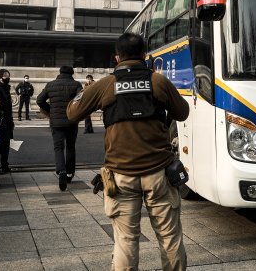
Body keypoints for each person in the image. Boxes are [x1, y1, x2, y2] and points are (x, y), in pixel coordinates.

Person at [67, 33, 190, 271]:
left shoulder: (106, 84)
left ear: (117, 58)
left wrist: (86, 91)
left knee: (125, 240)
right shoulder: (158, 81)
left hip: (121, 175)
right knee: (170, 238)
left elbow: (72, 113)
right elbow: (183, 112)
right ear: (144, 56)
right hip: (160, 174)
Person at [36, 65, 82, 191]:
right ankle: (69, 173)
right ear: (72, 73)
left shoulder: (50, 85)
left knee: (58, 147)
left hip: (56, 121)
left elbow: (39, 100)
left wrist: (51, 111)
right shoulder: (77, 84)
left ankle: (61, 171)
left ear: (60, 72)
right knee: (70, 147)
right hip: (72, 121)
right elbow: (81, 100)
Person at [0, 68, 15, 173]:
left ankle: (4, 165)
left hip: (7, 122)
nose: (7, 77)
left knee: (5, 145)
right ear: (0, 78)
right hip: (1, 123)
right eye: (5, 76)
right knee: (0, 145)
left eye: (8, 75)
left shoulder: (6, 89)